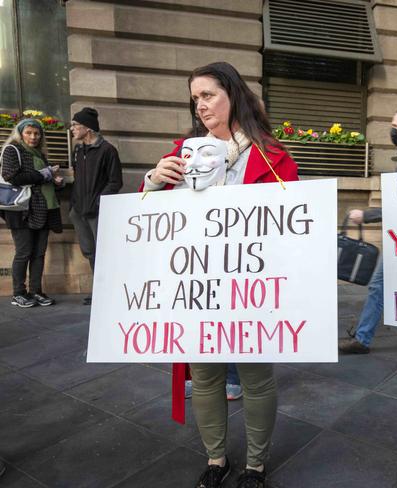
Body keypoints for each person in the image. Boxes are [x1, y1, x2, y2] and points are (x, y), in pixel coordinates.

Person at [141, 61, 298, 488]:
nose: (201, 105)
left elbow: (293, 228)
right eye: (195, 99)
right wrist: (154, 181)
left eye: (208, 94)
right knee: (206, 376)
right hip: (197, 288)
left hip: (251, 288)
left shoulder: (273, 156)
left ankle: (256, 466)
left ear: (233, 94)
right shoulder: (181, 152)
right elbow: (146, 221)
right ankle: (216, 460)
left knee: (255, 377)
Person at [338, 107, 397, 354]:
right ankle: (362, 335)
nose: (392, 130)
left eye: (396, 125)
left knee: (379, 285)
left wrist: (366, 215)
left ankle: (362, 338)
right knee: (385, 286)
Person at [0, 118, 64, 308]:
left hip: (43, 208)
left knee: (38, 253)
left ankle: (36, 291)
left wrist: (56, 182)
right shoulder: (12, 149)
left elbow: (43, 181)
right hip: (22, 211)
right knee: (24, 252)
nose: (33, 137)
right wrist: (46, 174)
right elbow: (12, 176)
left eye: (37, 133)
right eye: (28, 133)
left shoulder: (39, 153)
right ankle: (18, 293)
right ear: (20, 133)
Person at [69, 107, 123, 305]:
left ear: (88, 128)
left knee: (104, 253)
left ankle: (109, 291)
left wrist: (98, 201)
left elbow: (115, 182)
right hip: (79, 211)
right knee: (89, 251)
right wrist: (74, 206)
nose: (72, 128)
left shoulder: (107, 150)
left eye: (75, 125)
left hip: (98, 211)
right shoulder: (78, 150)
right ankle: (99, 290)